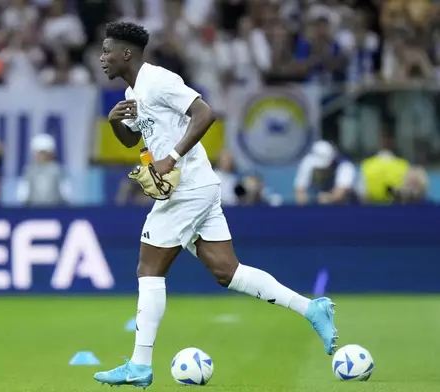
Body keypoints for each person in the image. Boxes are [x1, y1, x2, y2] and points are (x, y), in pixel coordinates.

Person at [94, 21, 338, 389]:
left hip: (187, 189)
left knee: (148, 268)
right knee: (228, 272)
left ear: (127, 53)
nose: (102, 58)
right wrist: (115, 124)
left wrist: (171, 158)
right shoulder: (134, 90)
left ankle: (139, 366)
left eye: (107, 50)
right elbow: (132, 141)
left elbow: (205, 113)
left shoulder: (158, 80)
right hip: (199, 187)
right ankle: (311, 308)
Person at [294, 140, 356, 205]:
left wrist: (328, 198)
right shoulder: (307, 162)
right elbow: (299, 190)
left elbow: (340, 193)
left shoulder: (345, 165)